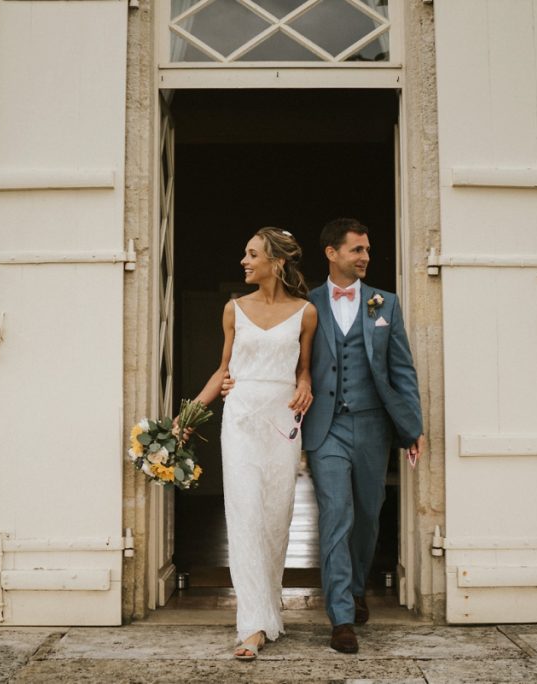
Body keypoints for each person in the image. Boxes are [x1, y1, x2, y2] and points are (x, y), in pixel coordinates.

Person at [225, 218, 425, 654]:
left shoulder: (384, 304)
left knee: (369, 517)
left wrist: (413, 428)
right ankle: (341, 617)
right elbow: (289, 362)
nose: (365, 257)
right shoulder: (306, 304)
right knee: (337, 515)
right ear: (332, 253)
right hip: (326, 426)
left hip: (373, 425)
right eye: (357, 249)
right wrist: (236, 382)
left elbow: (401, 369)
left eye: (367, 250)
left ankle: (354, 587)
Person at [184, 227, 317, 661]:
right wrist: (185, 420)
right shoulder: (233, 309)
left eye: (252, 254)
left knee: (276, 517)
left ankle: (269, 606)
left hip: (282, 422)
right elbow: (223, 371)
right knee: (243, 515)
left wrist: (305, 383)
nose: (244, 261)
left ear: (275, 262)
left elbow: (305, 369)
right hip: (239, 419)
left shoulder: (305, 313)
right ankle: (252, 626)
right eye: (245, 253)